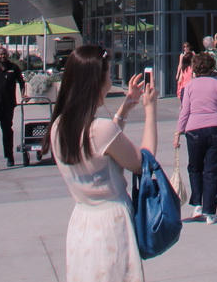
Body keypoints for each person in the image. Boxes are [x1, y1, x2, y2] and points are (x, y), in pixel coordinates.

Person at [43, 44, 157, 282]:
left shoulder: (58, 126)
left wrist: (126, 106)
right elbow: (143, 163)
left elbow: (102, 144)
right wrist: (150, 110)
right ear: (98, 80)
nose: (111, 78)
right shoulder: (100, 129)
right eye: (108, 73)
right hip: (111, 223)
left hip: (82, 223)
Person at [173, 50, 217, 224]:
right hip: (216, 128)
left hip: (193, 130)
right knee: (212, 170)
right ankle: (210, 212)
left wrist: (178, 132)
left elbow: (185, 111)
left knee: (195, 168)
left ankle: (197, 205)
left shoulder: (189, 87)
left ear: (195, 68)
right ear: (212, 67)